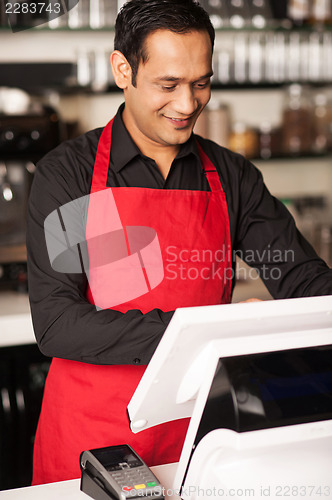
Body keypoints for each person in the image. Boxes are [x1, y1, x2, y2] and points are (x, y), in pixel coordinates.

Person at [27, 0, 332, 486]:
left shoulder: (231, 176)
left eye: (201, 83)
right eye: (167, 85)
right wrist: (208, 332)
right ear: (123, 69)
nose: (188, 104)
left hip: (205, 435)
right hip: (95, 442)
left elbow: (298, 275)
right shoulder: (73, 176)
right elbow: (58, 321)